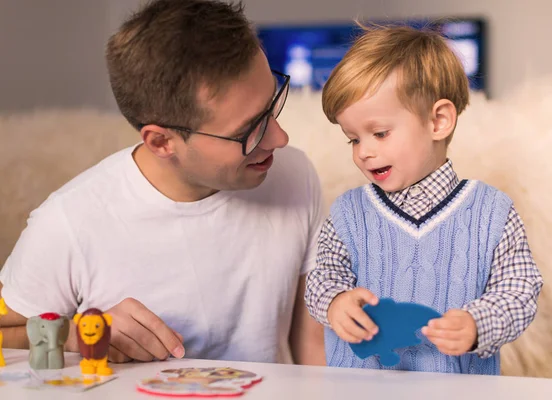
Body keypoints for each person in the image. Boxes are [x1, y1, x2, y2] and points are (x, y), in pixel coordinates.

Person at [0, 0, 325, 366]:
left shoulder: (294, 175)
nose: (279, 138)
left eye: (273, 102)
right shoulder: (68, 222)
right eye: (250, 130)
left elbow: (312, 350)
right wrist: (81, 333)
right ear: (161, 142)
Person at [305, 24, 543, 374]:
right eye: (353, 139)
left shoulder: (493, 212)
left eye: (379, 133)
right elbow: (322, 277)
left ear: (438, 121)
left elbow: (520, 289)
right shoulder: (348, 213)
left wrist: (480, 323)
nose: (364, 153)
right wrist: (335, 302)